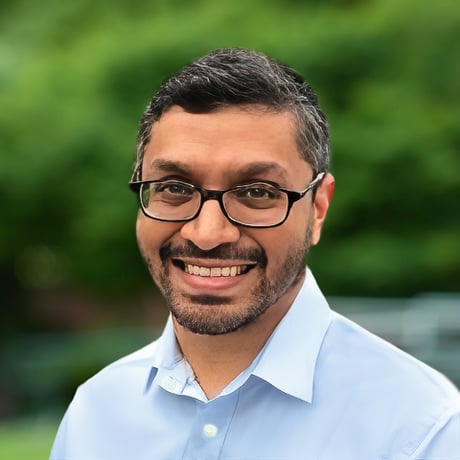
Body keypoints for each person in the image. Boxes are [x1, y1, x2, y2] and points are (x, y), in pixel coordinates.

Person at [50, 48, 460, 460]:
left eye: (257, 192)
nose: (207, 234)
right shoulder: (95, 414)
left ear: (318, 208)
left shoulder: (422, 431)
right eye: (174, 188)